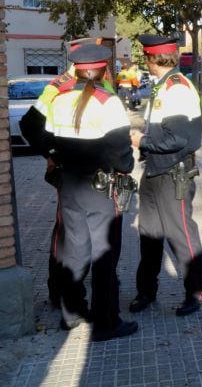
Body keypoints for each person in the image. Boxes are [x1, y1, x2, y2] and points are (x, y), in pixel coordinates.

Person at [20, 43, 138, 341]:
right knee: (104, 255)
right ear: (102, 69)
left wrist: (52, 155)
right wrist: (127, 165)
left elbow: (40, 132)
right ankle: (106, 323)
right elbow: (120, 157)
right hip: (100, 189)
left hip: (69, 185)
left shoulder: (60, 98)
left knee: (74, 250)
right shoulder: (108, 101)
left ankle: (71, 312)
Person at [128, 34, 202, 317]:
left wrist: (142, 142)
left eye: (145, 57)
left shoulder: (177, 88)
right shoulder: (162, 86)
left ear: (153, 58)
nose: (144, 62)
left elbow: (179, 139)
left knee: (180, 233)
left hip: (173, 173)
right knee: (149, 233)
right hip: (155, 170)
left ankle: (196, 290)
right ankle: (146, 291)